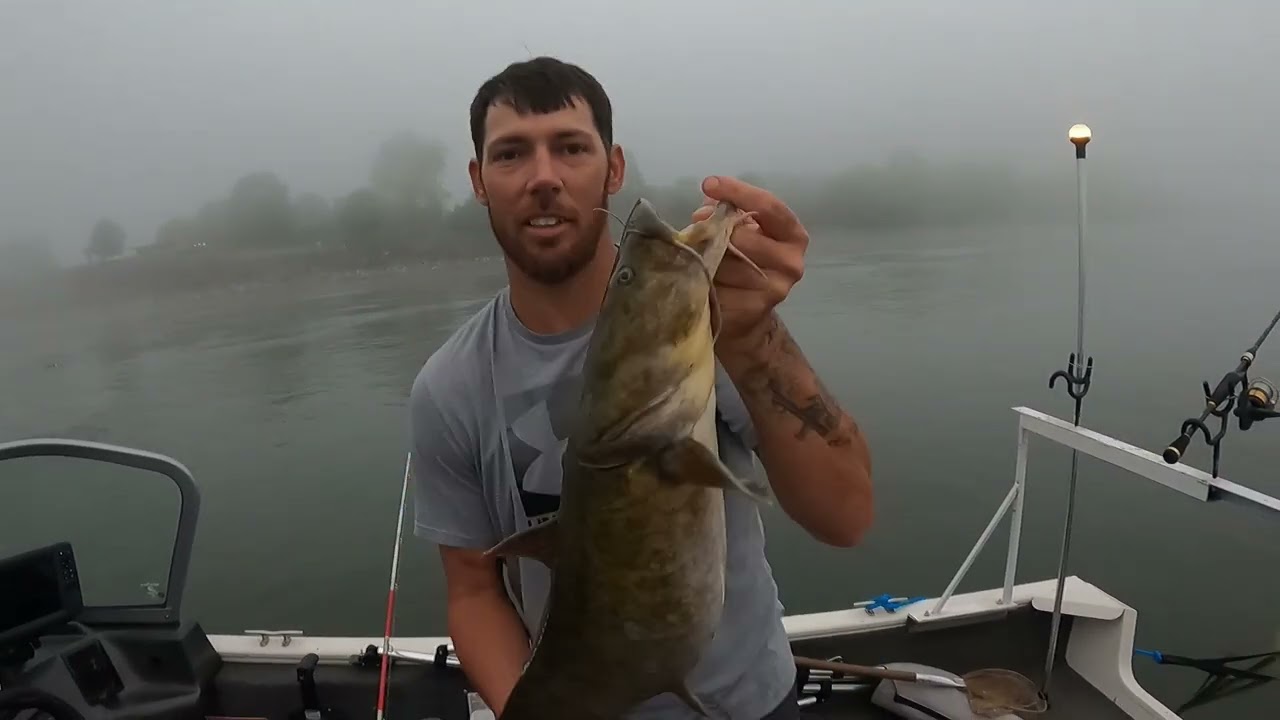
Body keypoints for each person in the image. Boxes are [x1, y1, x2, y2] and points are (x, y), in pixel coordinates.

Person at [408, 56, 874, 719]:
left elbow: (847, 517)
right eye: (512, 154)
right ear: (480, 182)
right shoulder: (447, 388)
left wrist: (751, 339)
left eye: (571, 147)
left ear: (614, 168)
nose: (544, 178)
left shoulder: (706, 326)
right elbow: (474, 592)